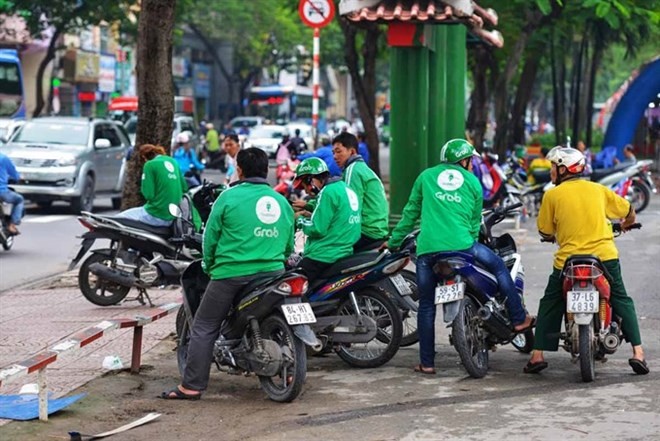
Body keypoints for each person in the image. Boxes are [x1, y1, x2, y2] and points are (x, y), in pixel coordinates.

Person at [385, 139, 534, 375]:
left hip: (428, 252)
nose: (472, 164)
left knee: (426, 306)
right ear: (463, 160)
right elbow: (475, 222)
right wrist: (468, 238)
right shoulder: (473, 182)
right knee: (498, 267)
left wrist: (394, 242)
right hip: (462, 247)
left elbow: (410, 213)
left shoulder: (425, 177)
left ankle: (427, 363)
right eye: (470, 160)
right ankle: (518, 318)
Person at [161, 148, 295, 400]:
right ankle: (287, 371)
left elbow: (210, 240)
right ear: (266, 170)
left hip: (232, 273)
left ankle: (191, 386)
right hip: (274, 273)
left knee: (204, 325)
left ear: (240, 170)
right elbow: (289, 245)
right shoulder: (280, 201)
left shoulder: (228, 198)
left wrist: (209, 266)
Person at [524, 146, 648, 375]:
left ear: (564, 169)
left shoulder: (552, 194)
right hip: (604, 259)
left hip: (567, 262)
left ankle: (537, 355)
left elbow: (544, 230)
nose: (551, 171)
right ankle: (638, 352)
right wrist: (628, 222)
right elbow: (628, 209)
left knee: (551, 301)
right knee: (621, 298)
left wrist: (553, 236)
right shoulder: (598, 190)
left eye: (554, 167)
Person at [292, 157, 361, 283]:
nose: (306, 191)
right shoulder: (344, 188)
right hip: (345, 250)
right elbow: (334, 213)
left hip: (325, 254)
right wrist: (309, 210)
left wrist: (299, 220)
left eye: (304, 186)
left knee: (294, 284)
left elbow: (317, 228)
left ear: (311, 180)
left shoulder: (327, 192)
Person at [331, 132, 388, 251]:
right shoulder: (362, 168)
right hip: (378, 230)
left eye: (338, 151)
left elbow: (350, 207)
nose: (335, 157)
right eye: (333, 153)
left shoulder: (353, 170)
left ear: (352, 152)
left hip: (366, 232)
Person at [118, 144, 187, 227]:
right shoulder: (173, 161)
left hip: (156, 214)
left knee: (119, 218)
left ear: (144, 157)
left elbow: (148, 195)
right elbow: (184, 187)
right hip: (173, 215)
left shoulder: (149, 165)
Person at [0, 152, 24, 235]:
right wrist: (19, 177)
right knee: (19, 200)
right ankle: (12, 225)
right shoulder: (3, 158)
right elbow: (14, 173)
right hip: (1, 192)